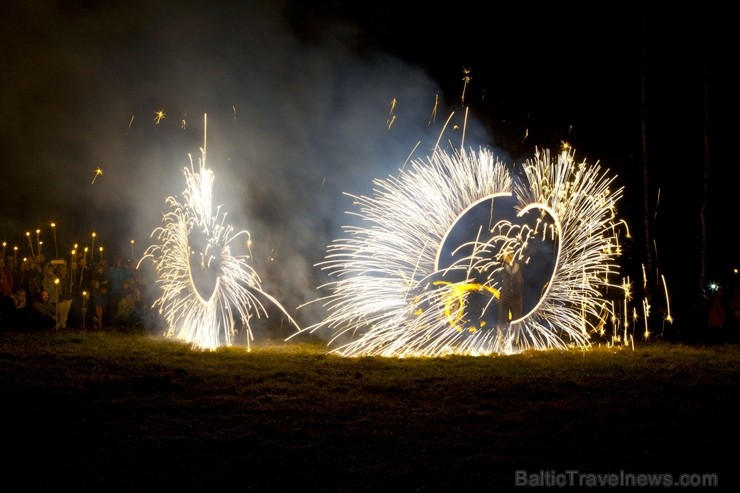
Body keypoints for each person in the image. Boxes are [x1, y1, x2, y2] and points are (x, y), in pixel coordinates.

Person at [498, 250, 524, 331]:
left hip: (516, 298)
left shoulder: (519, 267)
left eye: (512, 254)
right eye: (508, 254)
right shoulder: (500, 268)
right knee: (502, 322)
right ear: (503, 257)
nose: (510, 256)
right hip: (504, 298)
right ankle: (501, 341)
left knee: (516, 322)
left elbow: (521, 282)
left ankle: (514, 342)